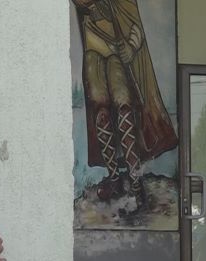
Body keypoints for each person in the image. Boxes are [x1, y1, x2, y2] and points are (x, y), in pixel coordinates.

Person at [71, 0, 178, 203]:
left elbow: (132, 18)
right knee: (100, 114)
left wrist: (131, 45)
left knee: (125, 109)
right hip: (93, 50)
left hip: (116, 54)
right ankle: (115, 179)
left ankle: (135, 182)